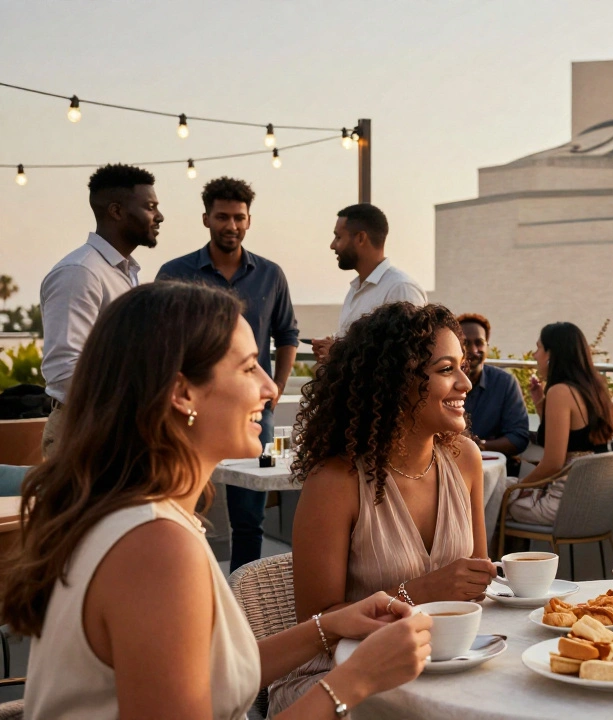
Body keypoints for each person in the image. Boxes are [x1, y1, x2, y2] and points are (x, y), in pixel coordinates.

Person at [0, 282, 432, 719]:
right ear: (182, 392)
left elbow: (204, 676)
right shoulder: (154, 548)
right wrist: (355, 680)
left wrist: (328, 627)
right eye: (249, 369)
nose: (270, 388)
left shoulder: (135, 516)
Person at [272, 302, 495, 713]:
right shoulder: (336, 482)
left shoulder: (465, 459)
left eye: (462, 366)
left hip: (443, 666)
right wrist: (422, 592)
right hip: (337, 680)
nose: (465, 381)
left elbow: (475, 590)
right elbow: (316, 627)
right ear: (395, 382)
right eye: (446, 369)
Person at [157, 176, 299, 572]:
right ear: (206, 219)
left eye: (239, 217)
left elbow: (288, 334)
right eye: (222, 216)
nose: (231, 225)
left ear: (249, 221)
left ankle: (241, 596)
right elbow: (157, 341)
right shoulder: (175, 272)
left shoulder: (272, 275)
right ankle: (183, 579)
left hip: (259, 412)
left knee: (250, 510)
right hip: (185, 407)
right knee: (178, 503)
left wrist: (276, 389)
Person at [40, 164, 162, 457]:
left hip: (117, 427)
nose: (159, 216)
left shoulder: (125, 272)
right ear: (116, 211)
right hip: (86, 431)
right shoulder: (80, 272)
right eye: (149, 207)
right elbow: (64, 368)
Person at [502, 322, 613, 528]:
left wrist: (519, 487)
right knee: (498, 489)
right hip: (591, 504)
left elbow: (553, 463)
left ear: (551, 354)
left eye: (538, 348)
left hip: (563, 505)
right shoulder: (593, 388)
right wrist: (540, 403)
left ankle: (490, 559)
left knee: (491, 495)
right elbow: (572, 437)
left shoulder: (560, 392)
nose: (535, 355)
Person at [311, 204, 427, 362]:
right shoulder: (355, 290)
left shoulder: (401, 288)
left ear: (360, 238)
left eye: (338, 237)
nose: (332, 245)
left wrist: (338, 353)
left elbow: (405, 358)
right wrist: (330, 346)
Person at [458, 312, 530, 479]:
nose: (473, 350)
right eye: (465, 343)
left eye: (479, 343)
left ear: (487, 346)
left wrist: (478, 446)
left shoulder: (505, 383)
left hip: (492, 475)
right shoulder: (441, 381)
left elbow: (518, 438)